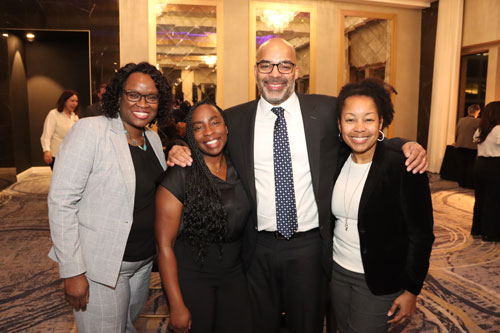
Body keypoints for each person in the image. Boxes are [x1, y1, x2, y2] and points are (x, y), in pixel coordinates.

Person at [167, 38, 428, 333]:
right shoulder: (236, 119)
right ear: (256, 70)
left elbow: (362, 131)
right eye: (266, 65)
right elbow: (206, 139)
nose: (275, 73)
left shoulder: (327, 110)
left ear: (296, 70)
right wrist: (177, 148)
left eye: (284, 65)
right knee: (258, 325)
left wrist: (405, 144)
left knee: (307, 325)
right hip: (256, 248)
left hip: (309, 247)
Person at [47, 62, 171, 332]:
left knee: (125, 326)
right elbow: (61, 203)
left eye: (151, 96)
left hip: (142, 264)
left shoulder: (152, 139)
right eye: (134, 94)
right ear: (118, 95)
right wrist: (73, 271)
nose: (143, 103)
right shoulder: (91, 131)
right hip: (99, 267)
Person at [328, 78, 434, 332]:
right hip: (336, 272)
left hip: (378, 279)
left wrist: (412, 289)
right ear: (340, 124)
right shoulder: (335, 160)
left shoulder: (403, 166)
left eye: (369, 119)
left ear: (382, 123)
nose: (359, 128)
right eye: (350, 119)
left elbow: (421, 235)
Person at [155, 102, 252, 333]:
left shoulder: (242, 167)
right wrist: (176, 305)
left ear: (226, 128)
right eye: (198, 127)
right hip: (192, 277)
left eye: (215, 122)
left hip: (235, 275)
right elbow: (164, 246)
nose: (209, 132)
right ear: (190, 135)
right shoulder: (179, 175)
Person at [471, 101, 500, 242]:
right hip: (495, 166)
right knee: (493, 200)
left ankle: (477, 229)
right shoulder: (499, 130)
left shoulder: (481, 129)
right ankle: (490, 233)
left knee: (480, 198)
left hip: (480, 165)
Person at [40, 90, 79, 169]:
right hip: (57, 155)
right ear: (64, 101)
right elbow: (46, 135)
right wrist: (46, 150)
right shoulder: (53, 114)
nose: (75, 104)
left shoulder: (75, 116)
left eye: (76, 101)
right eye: (72, 101)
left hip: (72, 154)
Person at [455, 104, 481, 188]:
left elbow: (457, 133)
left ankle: (461, 183)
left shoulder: (461, 120)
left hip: (460, 145)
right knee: (471, 166)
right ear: (477, 112)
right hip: (471, 147)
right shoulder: (478, 121)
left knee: (461, 165)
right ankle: (469, 184)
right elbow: (479, 135)